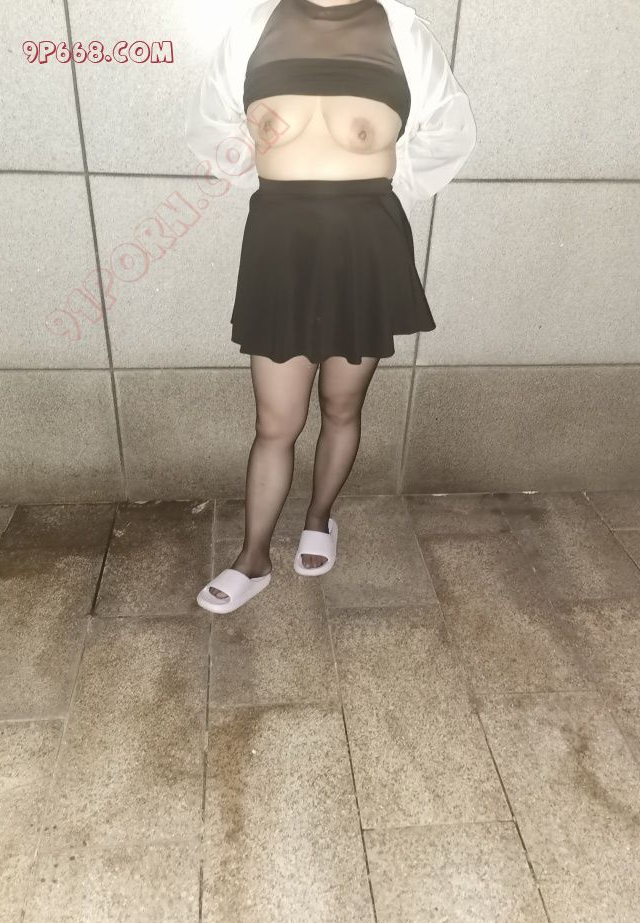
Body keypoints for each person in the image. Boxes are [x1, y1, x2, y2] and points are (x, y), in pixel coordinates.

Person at [187, 0, 477, 612]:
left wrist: (373, 194)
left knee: (341, 405)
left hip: (364, 245)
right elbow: (214, 127)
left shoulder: (402, 30)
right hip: (280, 246)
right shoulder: (254, 26)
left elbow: (449, 131)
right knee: (276, 422)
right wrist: (283, 187)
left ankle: (320, 518)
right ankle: (253, 558)